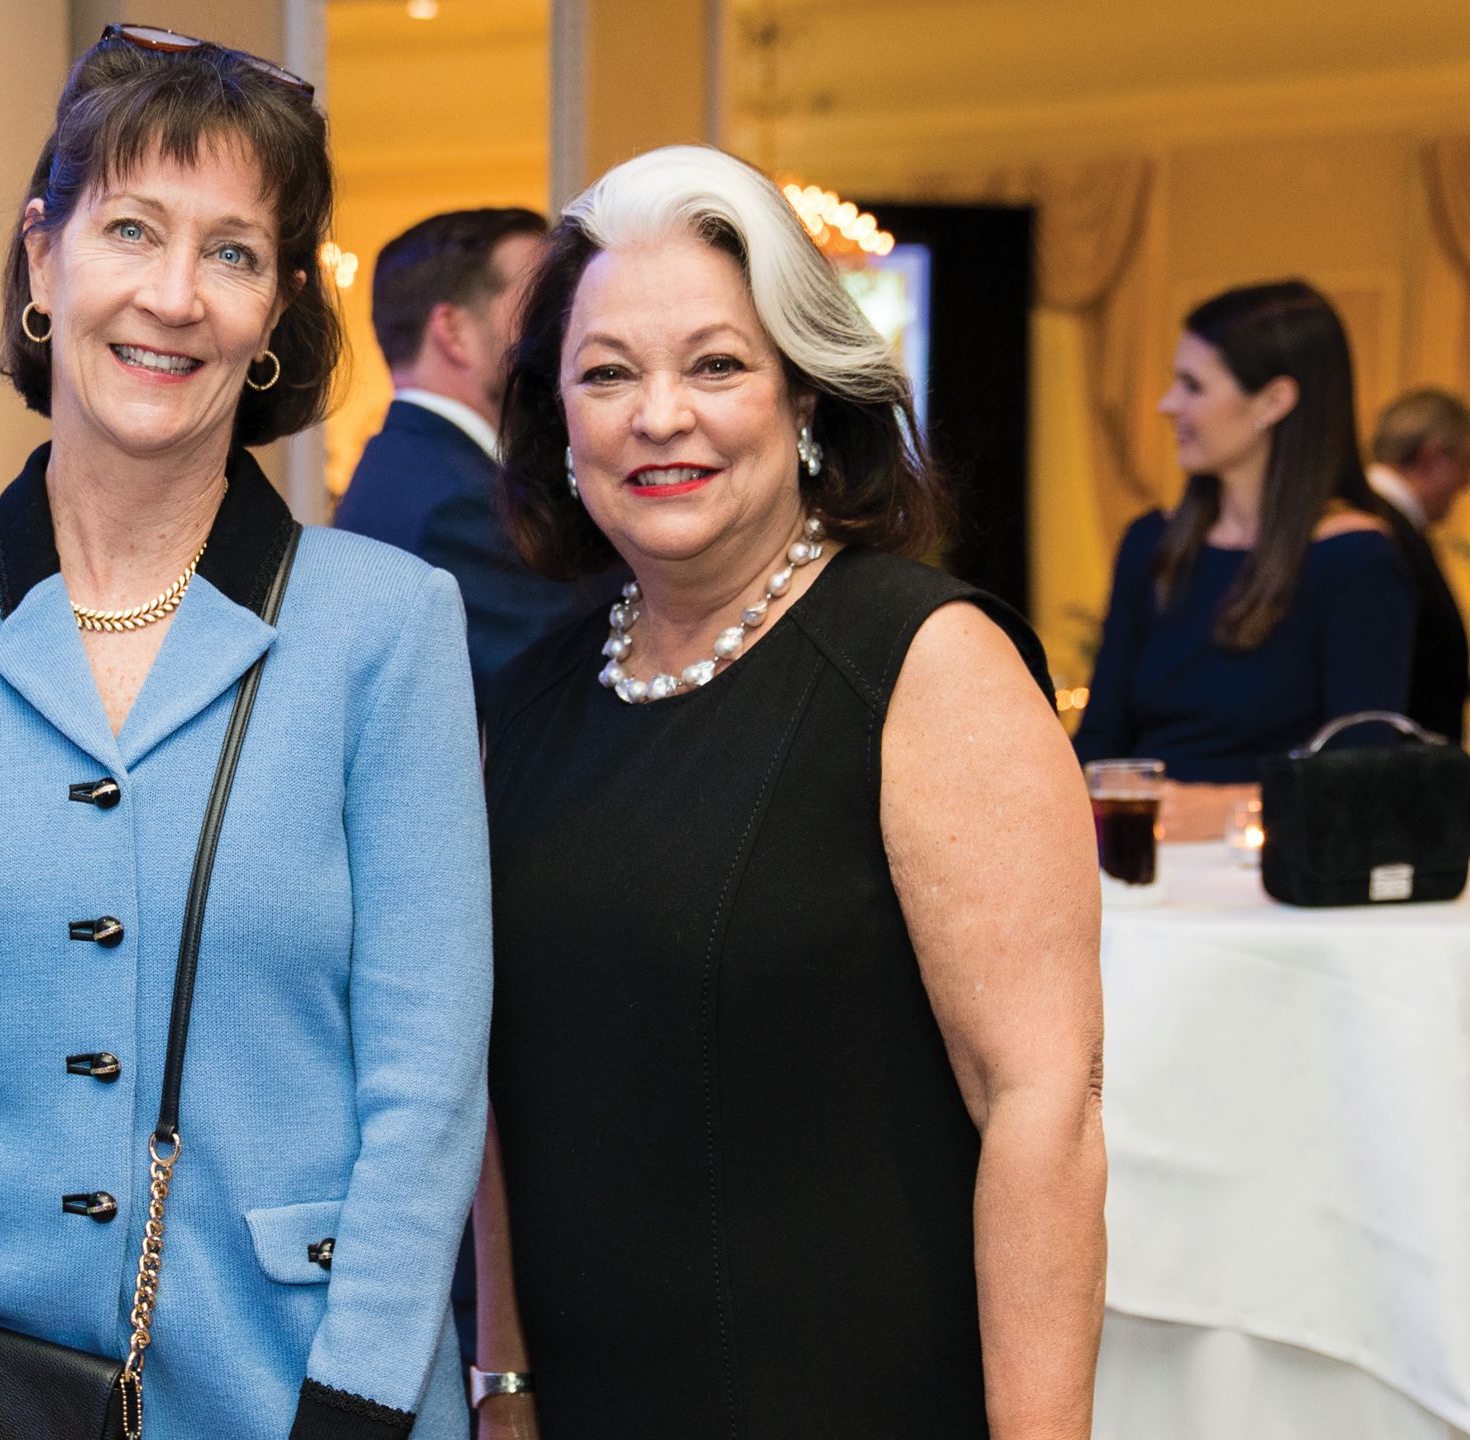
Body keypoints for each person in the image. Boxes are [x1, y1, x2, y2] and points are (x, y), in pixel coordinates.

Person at [0, 27, 491, 1440]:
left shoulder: (389, 625)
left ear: (282, 307)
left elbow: (426, 1080)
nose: (174, 297)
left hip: (305, 1390)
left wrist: (351, 1414)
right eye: (131, 229)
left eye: (233, 253)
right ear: (44, 259)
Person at [468, 145, 1105, 1438]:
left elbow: (1043, 1112)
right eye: (607, 374)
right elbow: (498, 1097)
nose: (659, 415)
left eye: (715, 365)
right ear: (559, 421)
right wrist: (506, 1384)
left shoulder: (927, 665)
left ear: (807, 398)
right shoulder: (527, 698)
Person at [1073, 280, 1415, 838]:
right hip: (1133, 861)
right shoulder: (1151, 543)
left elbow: (1362, 775)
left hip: (1269, 879)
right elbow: (1100, 741)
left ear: (1274, 401)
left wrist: (1231, 809)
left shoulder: (1356, 561)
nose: (1167, 404)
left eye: (1193, 385)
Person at [334, 207, 606, 696]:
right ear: (453, 331)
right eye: (536, 303)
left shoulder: (414, 467)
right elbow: (567, 678)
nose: (560, 329)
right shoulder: (450, 503)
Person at [1367, 387, 1470, 741]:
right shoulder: (1378, 535)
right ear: (1433, 456)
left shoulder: (1388, 525)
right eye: (1468, 464)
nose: (1468, 483)